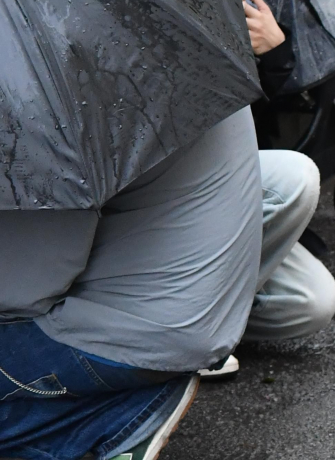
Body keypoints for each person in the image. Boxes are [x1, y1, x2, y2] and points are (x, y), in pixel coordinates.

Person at [48, 0, 335, 368]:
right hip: (117, 202)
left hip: (196, 185)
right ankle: (159, 333)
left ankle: (196, 320)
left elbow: (248, 115)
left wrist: (272, 52)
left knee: (311, 301)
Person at [0, 108, 260, 460]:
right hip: (205, 307)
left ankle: (102, 422)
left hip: (143, 330)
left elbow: (33, 286)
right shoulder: (136, 67)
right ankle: (132, 402)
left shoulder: (45, 113)